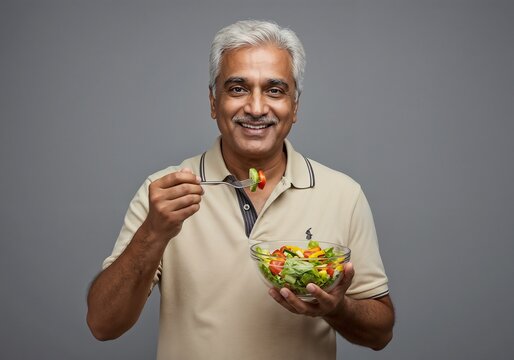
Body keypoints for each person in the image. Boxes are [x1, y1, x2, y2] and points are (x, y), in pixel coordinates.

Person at [87, 19, 394, 359]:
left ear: (295, 106)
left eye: (275, 90)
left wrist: (336, 308)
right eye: (237, 88)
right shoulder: (164, 192)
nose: (257, 107)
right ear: (213, 102)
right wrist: (153, 233)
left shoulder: (343, 194)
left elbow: (380, 333)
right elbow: (103, 324)